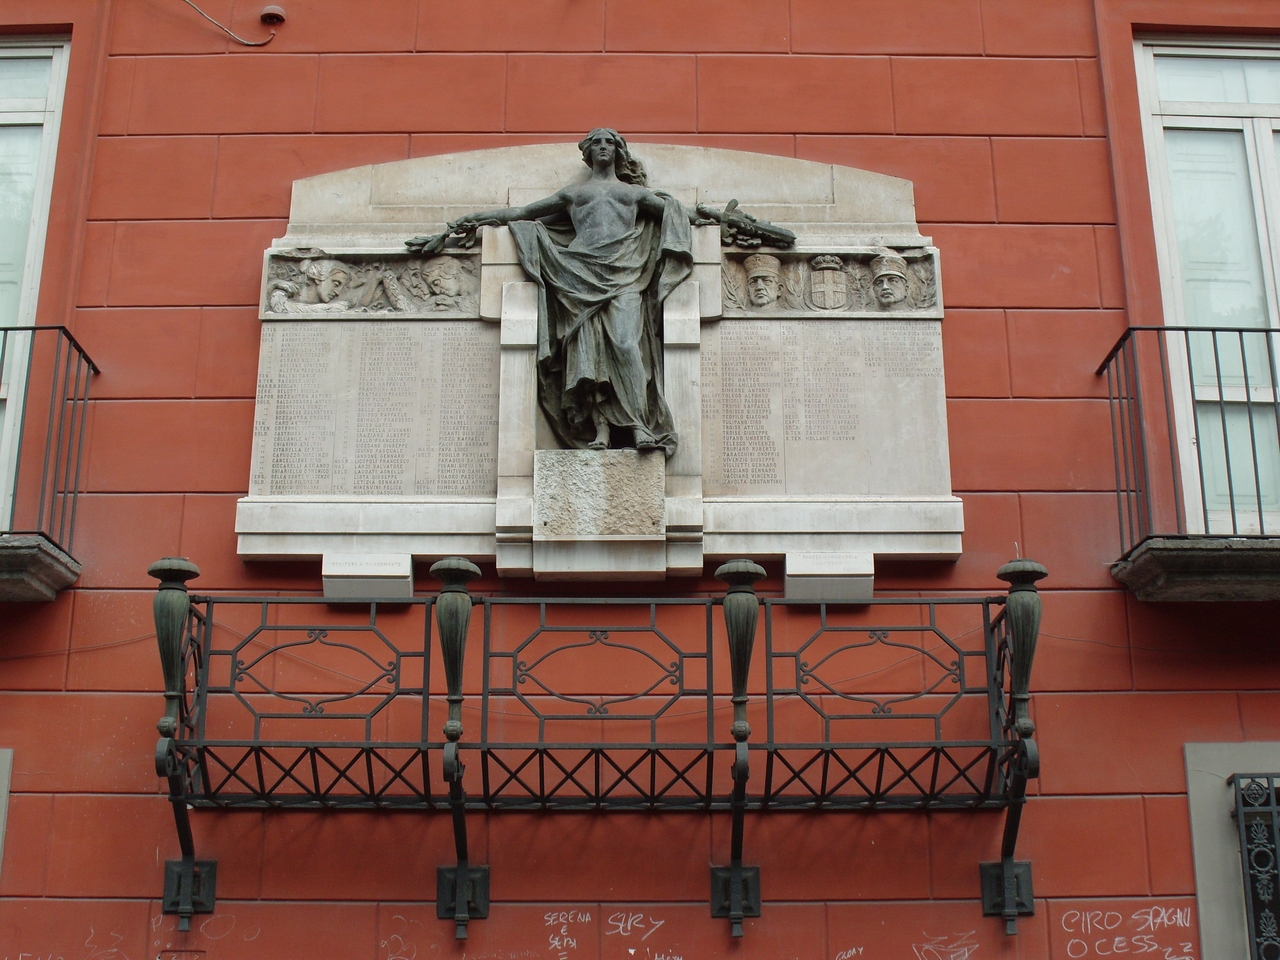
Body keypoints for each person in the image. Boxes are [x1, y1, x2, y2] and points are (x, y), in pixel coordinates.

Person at [445, 129, 691, 457]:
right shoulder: (574, 194)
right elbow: (522, 214)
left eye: (609, 143)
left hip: (624, 274)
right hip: (578, 274)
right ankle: (601, 426)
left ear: (618, 152)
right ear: (588, 153)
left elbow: (676, 216)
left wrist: (710, 217)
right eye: (597, 143)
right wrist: (479, 218)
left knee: (626, 343)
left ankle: (638, 425)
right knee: (587, 352)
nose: (603, 147)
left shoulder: (632, 195)